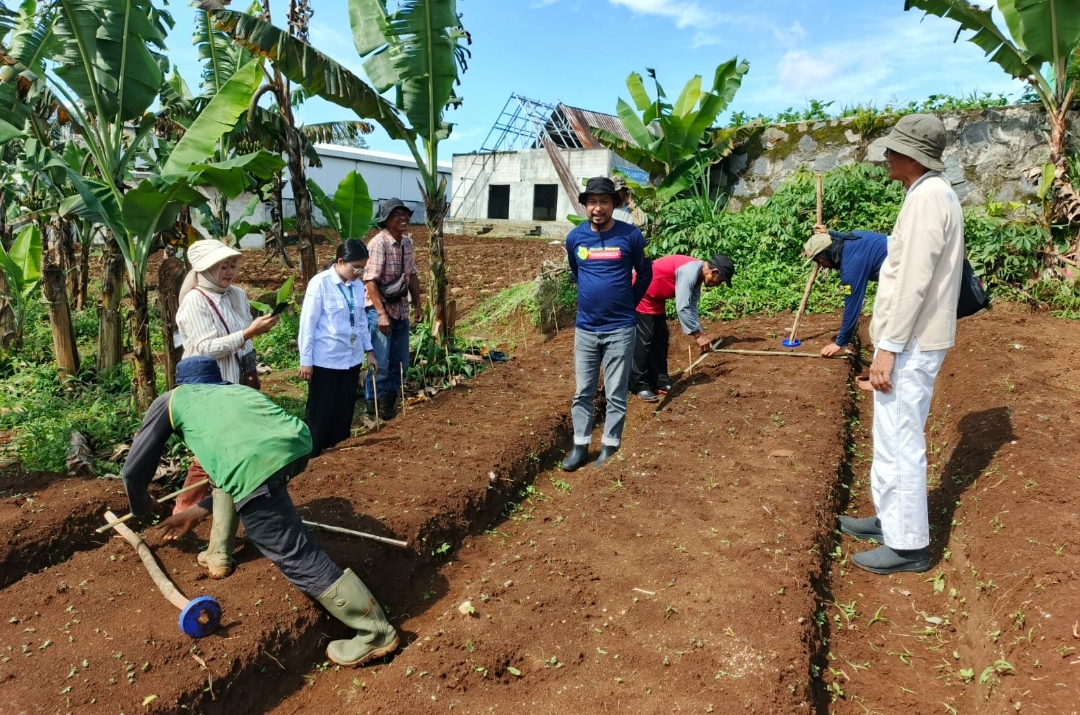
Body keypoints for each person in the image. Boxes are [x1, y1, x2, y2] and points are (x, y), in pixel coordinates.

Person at [122, 356, 399, 667]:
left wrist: (143, 506)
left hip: (254, 463)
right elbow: (231, 475)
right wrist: (195, 512)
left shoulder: (172, 400)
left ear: (180, 384)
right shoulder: (235, 393)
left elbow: (132, 474)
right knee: (249, 484)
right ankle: (219, 551)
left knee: (292, 550)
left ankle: (375, 631)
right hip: (296, 443)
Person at [841, 114, 965, 575]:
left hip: (910, 342)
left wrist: (888, 348)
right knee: (888, 435)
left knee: (900, 439)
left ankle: (909, 546)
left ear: (914, 156)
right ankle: (889, 521)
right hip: (909, 339)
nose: (887, 157)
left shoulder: (929, 199)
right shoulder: (927, 194)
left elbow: (913, 279)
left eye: (893, 150)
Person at [173, 238, 279, 578]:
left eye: (233, 264)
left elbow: (240, 340)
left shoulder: (237, 295)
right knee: (207, 458)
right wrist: (248, 332)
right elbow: (204, 348)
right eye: (223, 266)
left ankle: (215, 534)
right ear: (204, 269)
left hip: (236, 386)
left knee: (226, 457)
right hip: (208, 390)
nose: (229, 271)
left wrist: (250, 338)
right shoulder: (193, 302)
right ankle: (181, 519)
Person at [561, 177, 652, 471]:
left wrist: (629, 303)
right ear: (585, 206)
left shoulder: (631, 236)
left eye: (603, 201)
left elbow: (645, 273)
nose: (597, 208)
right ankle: (580, 446)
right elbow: (577, 273)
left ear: (613, 203)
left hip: (620, 329)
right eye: (592, 202)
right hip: (586, 328)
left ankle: (610, 446)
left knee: (614, 391)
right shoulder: (575, 238)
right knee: (583, 391)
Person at [298, 239, 378, 456]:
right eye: (356, 267)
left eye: (363, 267)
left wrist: (369, 352)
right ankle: (312, 455)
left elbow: (361, 322)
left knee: (344, 410)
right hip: (326, 359)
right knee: (320, 412)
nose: (360, 272)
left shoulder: (358, 286)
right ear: (341, 261)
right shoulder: (320, 283)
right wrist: (305, 361)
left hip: (350, 360)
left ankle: (338, 452)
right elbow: (308, 324)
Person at [630, 254, 734, 402]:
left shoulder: (698, 277)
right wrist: (698, 335)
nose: (719, 284)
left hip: (656, 297)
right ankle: (639, 386)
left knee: (661, 339)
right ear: (714, 272)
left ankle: (660, 382)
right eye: (721, 280)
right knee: (645, 339)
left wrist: (700, 332)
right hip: (642, 292)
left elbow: (692, 306)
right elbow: (682, 307)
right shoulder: (690, 272)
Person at [363, 199, 423, 425]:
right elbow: (370, 281)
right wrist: (381, 314)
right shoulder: (379, 244)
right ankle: (372, 410)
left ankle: (388, 406)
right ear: (386, 220)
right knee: (380, 363)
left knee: (400, 363)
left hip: (400, 309)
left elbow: (412, 275)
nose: (403, 217)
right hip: (380, 310)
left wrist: (418, 304)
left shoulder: (407, 243)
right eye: (397, 214)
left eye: (405, 213)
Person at [803, 227, 888, 358]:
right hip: (909, 260)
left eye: (819, 260)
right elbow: (843, 235)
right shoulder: (852, 238)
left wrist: (840, 343)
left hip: (909, 275)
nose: (821, 265)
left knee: (882, 330)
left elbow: (852, 307)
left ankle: (883, 373)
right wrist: (829, 233)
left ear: (827, 253)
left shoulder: (851, 270)